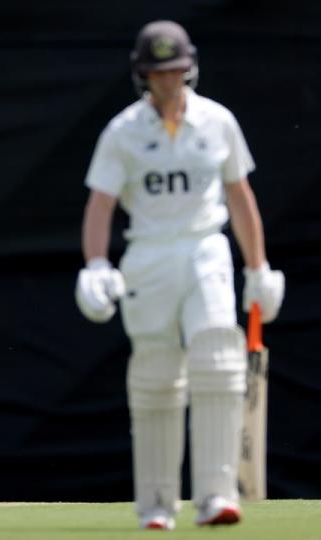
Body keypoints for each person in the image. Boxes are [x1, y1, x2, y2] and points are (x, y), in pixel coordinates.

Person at [76, 21, 285, 530]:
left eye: (174, 71)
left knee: (217, 356)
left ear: (188, 69)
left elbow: (240, 197)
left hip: (206, 250)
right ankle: (156, 505)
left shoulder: (217, 122)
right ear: (142, 76)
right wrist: (96, 263)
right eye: (157, 73)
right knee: (156, 374)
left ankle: (217, 495)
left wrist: (257, 267)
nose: (168, 82)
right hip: (148, 255)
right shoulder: (123, 131)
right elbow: (101, 205)